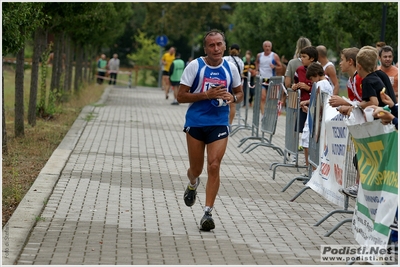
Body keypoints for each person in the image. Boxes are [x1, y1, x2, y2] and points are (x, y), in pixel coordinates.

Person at [176, 29, 243, 231]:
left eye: (219, 44)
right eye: (211, 45)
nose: (216, 48)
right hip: (196, 122)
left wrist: (234, 98)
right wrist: (206, 95)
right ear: (205, 48)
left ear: (224, 45)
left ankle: (207, 213)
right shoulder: (194, 66)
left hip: (219, 122)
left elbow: (239, 93)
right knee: (196, 169)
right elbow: (180, 96)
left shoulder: (231, 68)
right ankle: (193, 183)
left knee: (214, 165)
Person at [301, 62, 333, 168]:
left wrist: (309, 108)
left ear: (316, 75)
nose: (311, 82)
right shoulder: (327, 83)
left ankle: (310, 169)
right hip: (321, 117)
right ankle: (312, 170)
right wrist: (308, 103)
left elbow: (318, 102)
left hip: (316, 119)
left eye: (311, 79)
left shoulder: (320, 84)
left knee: (307, 143)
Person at [291, 46, 318, 156]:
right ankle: (296, 154)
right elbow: (295, 82)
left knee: (312, 132)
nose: (301, 59)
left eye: (304, 56)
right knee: (300, 129)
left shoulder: (319, 70)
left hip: (314, 106)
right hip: (302, 105)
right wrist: (295, 86)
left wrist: (308, 88)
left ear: (312, 58)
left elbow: (321, 88)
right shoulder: (299, 70)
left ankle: (313, 155)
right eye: (301, 56)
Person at [284, 37, 312, 108]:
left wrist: (293, 86)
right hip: (311, 99)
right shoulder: (317, 64)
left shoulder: (292, 63)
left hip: (294, 98)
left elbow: (287, 83)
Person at [255, 40, 282, 114]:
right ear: (263, 47)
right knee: (263, 97)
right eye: (266, 46)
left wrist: (274, 67)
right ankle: (263, 115)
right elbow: (257, 62)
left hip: (271, 79)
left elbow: (280, 66)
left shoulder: (274, 56)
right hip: (262, 78)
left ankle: (270, 113)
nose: (267, 48)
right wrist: (257, 70)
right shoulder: (259, 55)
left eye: (269, 46)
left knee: (272, 97)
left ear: (271, 47)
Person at [223, 44, 244, 125]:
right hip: (235, 85)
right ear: (239, 51)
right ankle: (229, 124)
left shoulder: (225, 59)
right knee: (232, 105)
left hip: (225, 83)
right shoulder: (241, 62)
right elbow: (240, 74)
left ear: (229, 50)